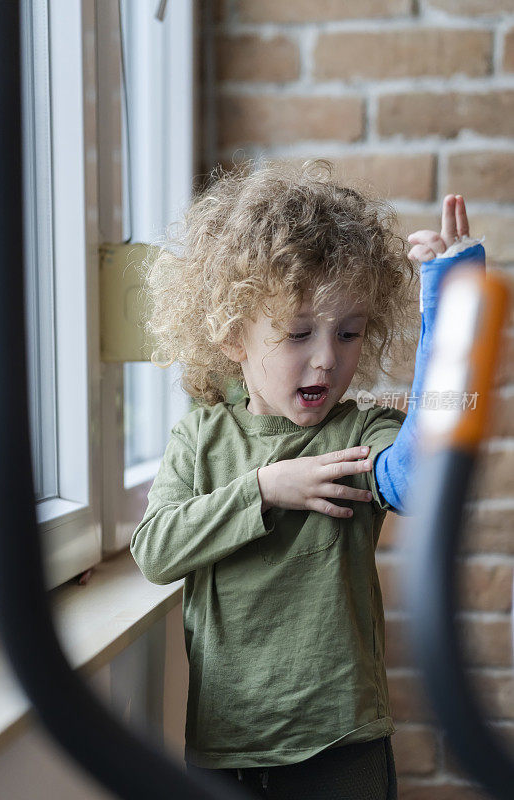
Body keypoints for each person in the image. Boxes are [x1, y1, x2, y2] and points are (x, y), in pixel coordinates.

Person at [130, 160, 486, 799]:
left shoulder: (361, 433)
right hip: (227, 746)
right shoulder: (201, 439)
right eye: (298, 333)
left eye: (348, 333)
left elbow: (415, 475)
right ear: (235, 335)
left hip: (341, 742)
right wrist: (265, 489)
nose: (327, 356)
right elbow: (155, 551)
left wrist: (451, 306)